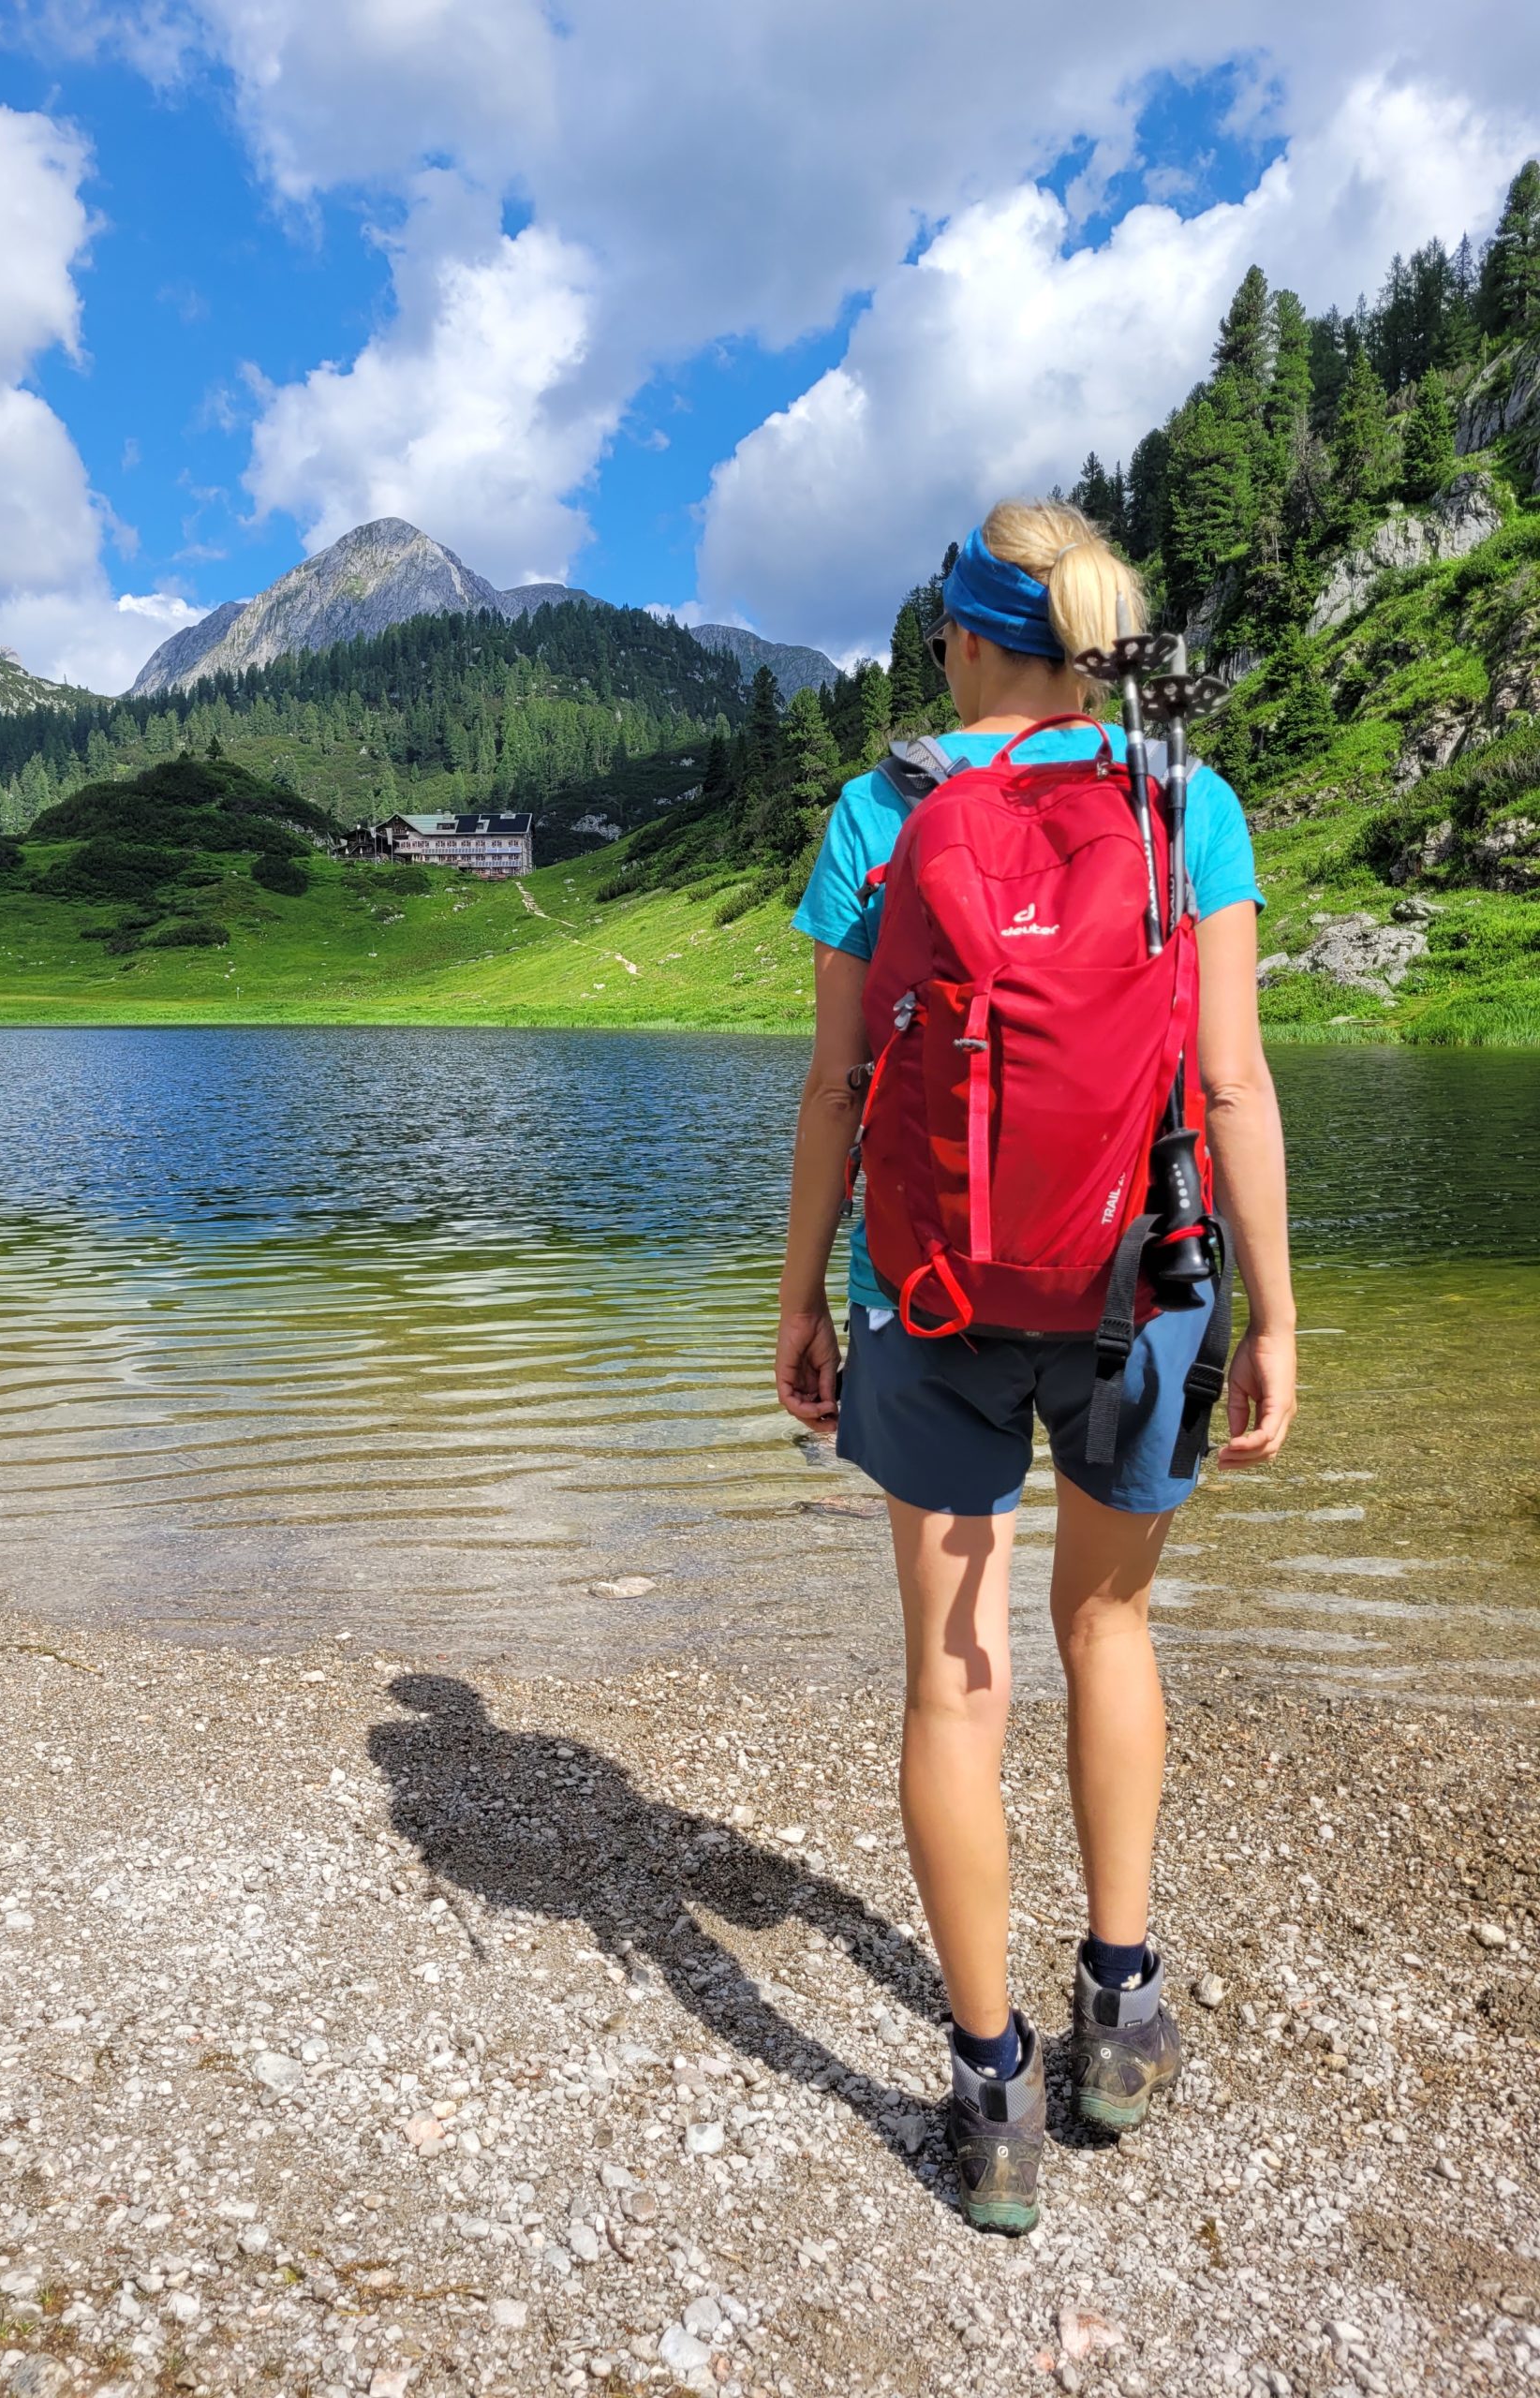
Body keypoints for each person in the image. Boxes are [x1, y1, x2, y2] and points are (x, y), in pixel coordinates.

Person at [775, 498, 1296, 2234]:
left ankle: (990, 2092)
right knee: (1109, 1626)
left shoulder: (885, 807)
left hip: (924, 1294)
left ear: (963, 640)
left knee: (954, 1679)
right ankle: (1122, 2005)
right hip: (1137, 1287)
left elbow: (842, 1088)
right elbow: (1227, 1087)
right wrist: (1275, 1314)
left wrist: (799, 1301)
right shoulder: (1183, 802)